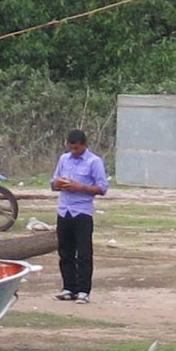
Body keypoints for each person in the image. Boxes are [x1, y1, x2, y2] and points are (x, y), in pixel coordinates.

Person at [51, 128, 109, 302]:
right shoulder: (64, 159)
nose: (74, 152)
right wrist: (58, 184)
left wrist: (81, 187)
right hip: (64, 210)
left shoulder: (94, 162)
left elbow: (102, 188)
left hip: (82, 212)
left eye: (77, 148)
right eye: (71, 148)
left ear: (84, 145)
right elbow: (53, 183)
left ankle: (84, 291)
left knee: (83, 253)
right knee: (65, 252)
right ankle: (69, 287)